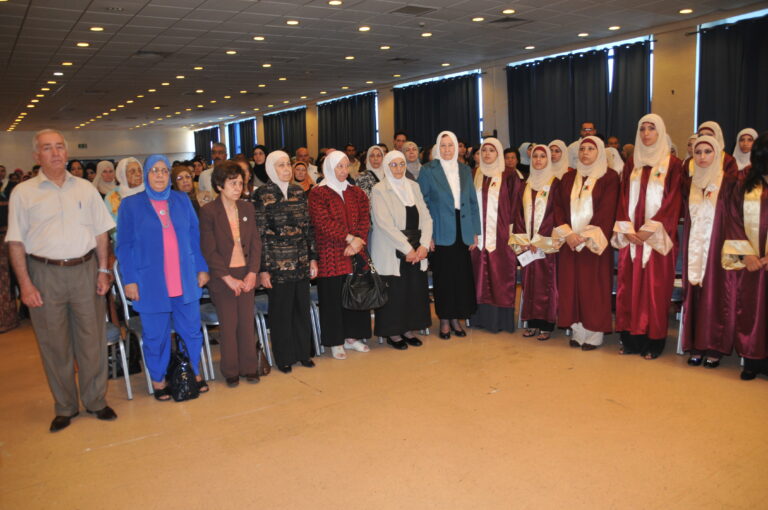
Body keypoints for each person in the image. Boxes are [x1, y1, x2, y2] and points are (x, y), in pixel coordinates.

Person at [7, 129, 116, 431]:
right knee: (54, 344)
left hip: (85, 270)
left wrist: (104, 270)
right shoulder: (23, 193)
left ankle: (96, 400)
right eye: (47, 148)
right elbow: (15, 242)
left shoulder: (85, 189)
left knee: (92, 340)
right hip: (44, 274)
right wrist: (25, 284)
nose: (55, 153)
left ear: (67, 153)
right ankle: (65, 406)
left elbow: (101, 233)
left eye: (59, 147)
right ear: (36, 155)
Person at [116, 154, 210, 400]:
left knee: (191, 331)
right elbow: (124, 246)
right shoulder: (131, 205)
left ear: (169, 175)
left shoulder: (181, 200)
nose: (159, 175)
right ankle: (159, 380)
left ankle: (192, 372)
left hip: (184, 279)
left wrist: (201, 268)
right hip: (150, 282)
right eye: (154, 170)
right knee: (156, 336)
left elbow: (195, 236)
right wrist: (129, 280)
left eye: (164, 171)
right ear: (146, 175)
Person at [612, 114, 683, 360]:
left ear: (660, 132)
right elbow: (622, 198)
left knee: (654, 290)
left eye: (651, 128)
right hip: (632, 238)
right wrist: (628, 229)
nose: (646, 133)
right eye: (642, 128)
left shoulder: (673, 164)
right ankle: (631, 339)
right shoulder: (632, 163)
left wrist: (649, 229)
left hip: (657, 239)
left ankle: (654, 341)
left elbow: (673, 201)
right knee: (629, 289)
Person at [552, 136, 620, 350]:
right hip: (570, 244)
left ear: (600, 152)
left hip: (593, 245)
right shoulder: (568, 177)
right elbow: (558, 207)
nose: (585, 153)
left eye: (591, 149)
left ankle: (594, 333)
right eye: (582, 149)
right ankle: (578, 330)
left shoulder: (609, 177)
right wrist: (568, 234)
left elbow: (607, 210)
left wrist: (584, 236)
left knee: (593, 287)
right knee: (571, 286)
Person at [199, 161, 262, 386]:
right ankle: (231, 370)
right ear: (219, 185)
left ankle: (249, 367)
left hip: (246, 274)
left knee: (246, 323)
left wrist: (252, 272)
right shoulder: (208, 211)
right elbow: (209, 249)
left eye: (240, 183)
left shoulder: (247, 208)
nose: (238, 188)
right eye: (232, 183)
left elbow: (255, 243)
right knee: (229, 324)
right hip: (222, 277)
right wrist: (227, 278)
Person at [254, 151, 318, 371]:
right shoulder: (262, 194)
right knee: (281, 313)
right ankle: (284, 357)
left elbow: (308, 228)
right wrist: (263, 269)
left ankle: (303, 353)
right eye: (280, 165)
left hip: (300, 261)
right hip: (277, 265)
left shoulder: (297, 191)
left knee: (301, 309)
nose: (286, 169)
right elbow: (259, 235)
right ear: (271, 168)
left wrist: (313, 259)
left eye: (287, 165)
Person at [681, 136, 738, 368]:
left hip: (718, 249)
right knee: (695, 295)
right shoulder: (690, 183)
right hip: (694, 247)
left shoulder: (729, 182)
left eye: (708, 152)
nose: (702, 157)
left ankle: (714, 347)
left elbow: (735, 218)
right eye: (698, 152)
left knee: (716, 295)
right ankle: (696, 345)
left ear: (717, 155)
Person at [308, 151, 371, 359]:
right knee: (333, 299)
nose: (344, 170)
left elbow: (364, 218)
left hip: (354, 252)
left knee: (355, 296)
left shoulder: (356, 192)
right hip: (331, 253)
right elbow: (322, 222)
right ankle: (336, 341)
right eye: (339, 166)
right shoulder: (319, 193)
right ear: (329, 168)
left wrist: (358, 241)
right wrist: (349, 238)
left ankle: (352, 337)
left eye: (346, 166)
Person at [418, 130, 481, 339]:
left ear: (456, 147)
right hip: (440, 229)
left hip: (462, 229)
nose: (447, 149)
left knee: (461, 277)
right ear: (438, 148)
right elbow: (422, 203)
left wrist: (474, 231)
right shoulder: (428, 170)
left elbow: (472, 201)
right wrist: (428, 235)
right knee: (443, 278)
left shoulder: (464, 169)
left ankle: (456, 318)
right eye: (443, 145)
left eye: (450, 145)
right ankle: (445, 319)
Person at [369, 150, 432, 349]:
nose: (398, 168)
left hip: (416, 249)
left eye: (401, 164)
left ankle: (408, 329)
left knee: (412, 290)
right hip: (392, 250)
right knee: (395, 292)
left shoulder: (413, 186)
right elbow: (384, 224)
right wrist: (407, 249)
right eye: (393, 165)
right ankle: (393, 333)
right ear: (387, 167)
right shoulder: (379, 189)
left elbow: (426, 217)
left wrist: (424, 244)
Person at [722, 131, 768, 380]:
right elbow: (732, 217)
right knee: (751, 308)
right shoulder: (744, 180)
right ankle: (752, 359)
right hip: (752, 261)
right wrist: (747, 254)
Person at [470, 137, 522, 333]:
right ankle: (479, 318)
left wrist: (512, 233)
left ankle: (500, 321)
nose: (487, 154)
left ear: (498, 153)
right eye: (484, 150)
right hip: (478, 237)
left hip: (501, 235)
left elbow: (516, 205)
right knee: (478, 274)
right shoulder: (475, 174)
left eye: (492, 150)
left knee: (500, 274)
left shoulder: (509, 175)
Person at [510, 145, 560, 340]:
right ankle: (531, 322)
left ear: (548, 159)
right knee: (529, 282)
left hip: (545, 245)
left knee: (546, 283)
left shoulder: (555, 183)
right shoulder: (526, 184)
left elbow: (555, 214)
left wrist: (539, 240)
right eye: (535, 157)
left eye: (542, 156)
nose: (538, 160)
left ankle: (546, 324)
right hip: (527, 245)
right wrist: (524, 240)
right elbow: (518, 213)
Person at [104, 157, 143, 224]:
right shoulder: (112, 196)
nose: (138, 174)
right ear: (123, 175)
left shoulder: (149, 193)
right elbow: (108, 222)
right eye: (132, 171)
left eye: (140, 170)